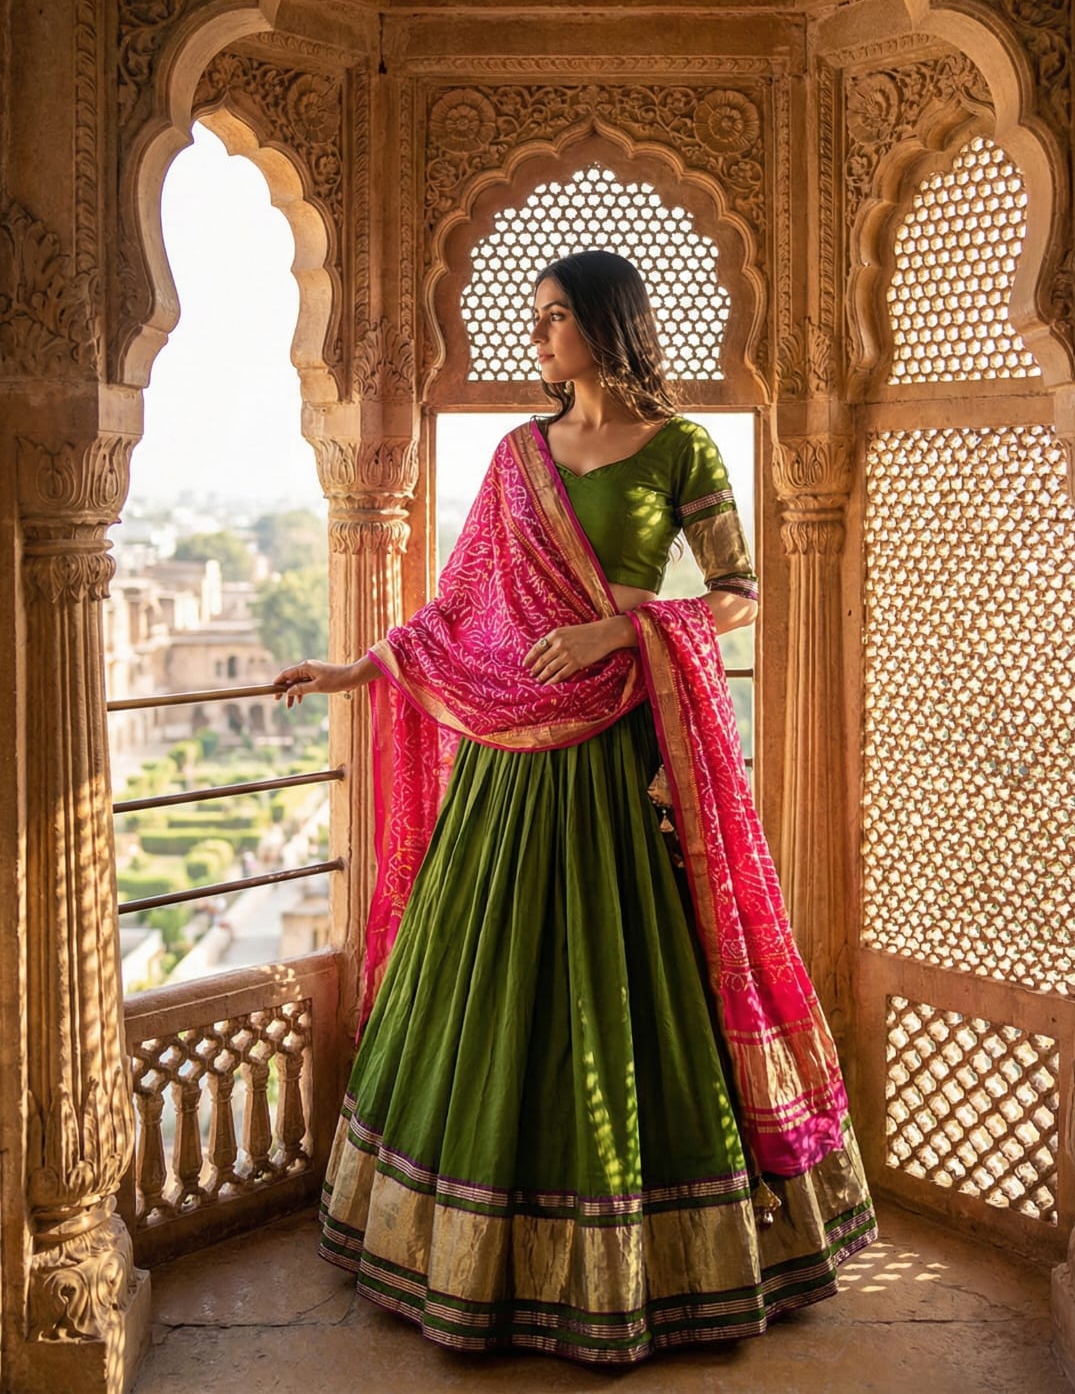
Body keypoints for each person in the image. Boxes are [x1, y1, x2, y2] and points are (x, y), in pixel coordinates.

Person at [272, 250, 875, 1364]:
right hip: (510, 763)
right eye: (533, 318)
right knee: (490, 975)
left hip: (622, 761)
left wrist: (621, 631)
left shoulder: (681, 448)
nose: (538, 338)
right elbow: (460, 608)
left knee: (628, 975)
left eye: (556, 318)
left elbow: (739, 597)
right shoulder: (517, 459)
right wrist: (359, 670)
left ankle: (655, 1259)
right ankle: (462, 1248)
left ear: (609, 324)